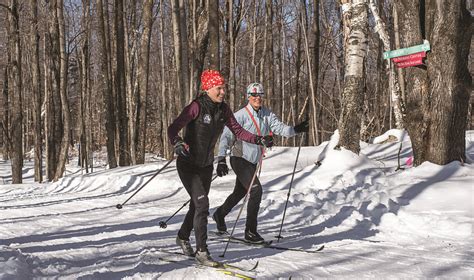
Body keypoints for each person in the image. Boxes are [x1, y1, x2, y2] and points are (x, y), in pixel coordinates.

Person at [167, 71, 273, 267]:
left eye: (224, 88)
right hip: (188, 164)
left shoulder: (223, 110)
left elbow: (238, 131)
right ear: (208, 88)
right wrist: (178, 143)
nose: (223, 92)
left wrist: (258, 139)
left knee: (196, 204)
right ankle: (202, 251)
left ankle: (182, 236)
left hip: (206, 165)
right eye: (219, 88)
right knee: (202, 204)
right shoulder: (196, 107)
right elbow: (173, 128)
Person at [212, 82, 309, 244]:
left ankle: (219, 214)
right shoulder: (240, 115)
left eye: (260, 95)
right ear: (248, 97)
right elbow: (226, 137)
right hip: (239, 158)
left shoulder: (267, 114)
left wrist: (296, 129)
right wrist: (221, 158)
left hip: (253, 162)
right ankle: (250, 232)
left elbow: (281, 129)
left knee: (239, 193)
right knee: (256, 190)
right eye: (254, 95)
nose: (257, 98)